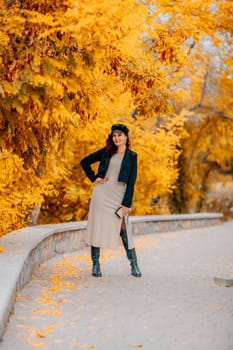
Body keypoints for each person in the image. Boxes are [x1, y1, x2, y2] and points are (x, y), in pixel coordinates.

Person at [80, 123, 142, 278]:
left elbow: (131, 182)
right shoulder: (107, 152)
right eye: (114, 135)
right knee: (97, 227)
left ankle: (134, 264)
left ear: (126, 137)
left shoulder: (132, 156)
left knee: (123, 229)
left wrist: (127, 204)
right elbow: (85, 161)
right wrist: (95, 177)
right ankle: (96, 265)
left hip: (119, 196)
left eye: (119, 135)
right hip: (102, 194)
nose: (116, 138)